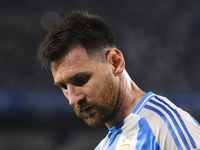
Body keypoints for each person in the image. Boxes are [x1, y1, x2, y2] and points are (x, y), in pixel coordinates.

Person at [37, 11, 200, 150]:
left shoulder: (165, 126)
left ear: (115, 62)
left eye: (81, 79)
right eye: (64, 86)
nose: (73, 99)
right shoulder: (104, 146)